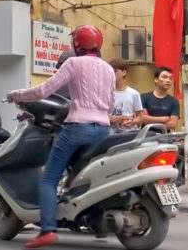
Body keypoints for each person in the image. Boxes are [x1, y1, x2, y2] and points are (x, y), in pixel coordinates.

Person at [7, 25, 113, 249]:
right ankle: (96, 221)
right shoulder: (109, 69)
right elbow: (110, 103)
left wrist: (17, 95)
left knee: (49, 179)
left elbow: (43, 91)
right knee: (86, 175)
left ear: (76, 44)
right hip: (104, 130)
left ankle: (48, 229)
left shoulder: (73, 63)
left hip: (77, 128)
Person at [108, 60, 144, 131]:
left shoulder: (134, 93)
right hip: (110, 133)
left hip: (128, 132)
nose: (111, 74)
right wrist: (114, 119)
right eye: (109, 71)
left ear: (124, 72)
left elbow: (140, 117)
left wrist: (132, 122)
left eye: (115, 71)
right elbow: (100, 116)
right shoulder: (106, 93)